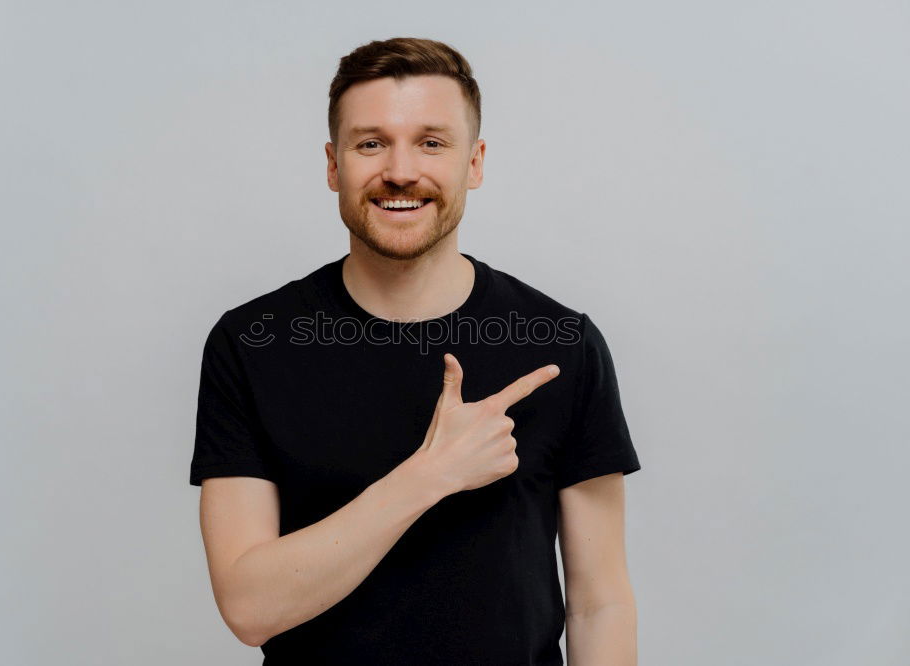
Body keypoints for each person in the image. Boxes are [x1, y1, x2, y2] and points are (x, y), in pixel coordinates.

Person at [189, 37, 641, 665]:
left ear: (474, 163)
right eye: (370, 143)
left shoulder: (560, 344)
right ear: (332, 165)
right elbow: (249, 608)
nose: (401, 171)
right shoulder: (252, 343)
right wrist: (430, 475)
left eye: (432, 142)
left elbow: (601, 602)